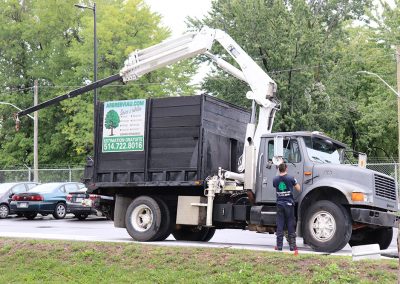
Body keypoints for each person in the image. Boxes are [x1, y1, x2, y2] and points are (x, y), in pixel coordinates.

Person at [272, 163, 301, 253]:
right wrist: (294, 182)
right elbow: (298, 189)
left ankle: (279, 246)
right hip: (289, 204)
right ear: (286, 168)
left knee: (280, 225)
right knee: (290, 225)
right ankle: (293, 247)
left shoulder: (275, 179)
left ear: (278, 169)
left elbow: (275, 187)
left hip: (280, 204)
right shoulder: (291, 178)